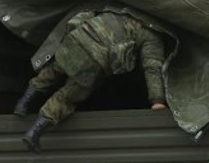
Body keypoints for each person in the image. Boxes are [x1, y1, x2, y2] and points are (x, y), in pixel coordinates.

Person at [13, 9, 167, 153]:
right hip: (94, 60)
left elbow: (86, 15)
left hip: (76, 39)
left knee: (53, 71)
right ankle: (34, 132)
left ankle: (23, 104)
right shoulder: (151, 35)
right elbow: (152, 68)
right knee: (67, 96)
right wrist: (157, 100)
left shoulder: (117, 10)